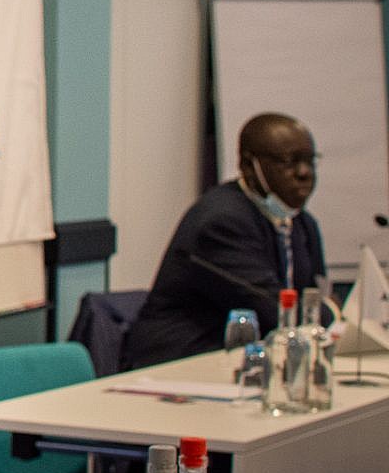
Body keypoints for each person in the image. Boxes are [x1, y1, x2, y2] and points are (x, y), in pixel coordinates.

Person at [123, 112, 328, 369]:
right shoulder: (221, 222)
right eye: (289, 161)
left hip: (249, 361)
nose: (304, 173)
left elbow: (315, 300)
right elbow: (275, 310)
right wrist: (329, 318)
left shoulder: (302, 225)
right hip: (182, 363)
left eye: (310, 161)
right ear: (249, 166)